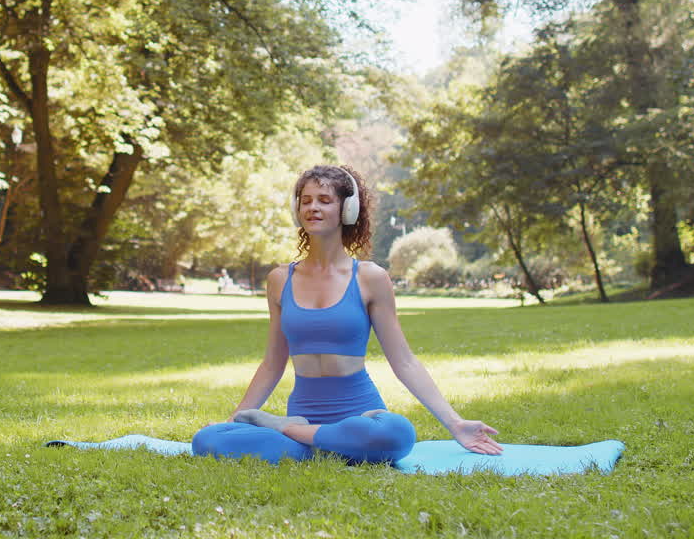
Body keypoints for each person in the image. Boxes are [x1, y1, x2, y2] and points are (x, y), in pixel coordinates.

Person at [192, 164, 500, 465]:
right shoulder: (279, 280)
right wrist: (235, 419)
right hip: (305, 409)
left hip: (361, 417)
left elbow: (404, 361)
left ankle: (293, 433)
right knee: (208, 440)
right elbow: (273, 363)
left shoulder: (370, 278)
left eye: (325, 200)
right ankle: (328, 445)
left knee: (397, 433)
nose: (313, 207)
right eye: (306, 200)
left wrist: (455, 423)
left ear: (347, 210)